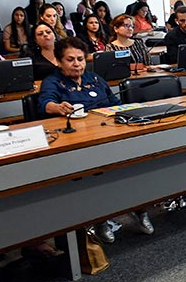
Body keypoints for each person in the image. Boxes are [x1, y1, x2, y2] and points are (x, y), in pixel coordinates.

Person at [38, 37, 154, 241]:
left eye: (81, 59)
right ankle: (101, 219)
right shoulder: (53, 81)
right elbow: (45, 103)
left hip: (107, 131)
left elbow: (115, 102)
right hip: (77, 140)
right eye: (71, 60)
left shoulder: (95, 78)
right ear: (59, 61)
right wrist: (57, 107)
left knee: (134, 163)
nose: (77, 64)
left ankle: (139, 207)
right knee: (99, 174)